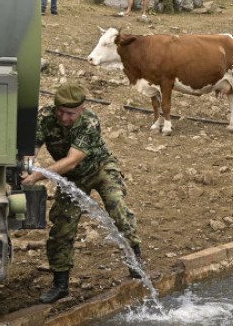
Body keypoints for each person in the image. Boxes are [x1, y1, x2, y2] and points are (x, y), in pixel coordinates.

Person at [21, 82, 144, 303]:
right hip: (71, 178)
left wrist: (37, 176)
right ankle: (61, 285)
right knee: (62, 225)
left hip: (100, 169)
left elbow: (71, 160)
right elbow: (31, 150)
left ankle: (135, 263)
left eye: (70, 113)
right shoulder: (45, 117)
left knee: (117, 207)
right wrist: (27, 167)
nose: (64, 117)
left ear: (82, 109)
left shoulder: (89, 122)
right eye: (60, 111)